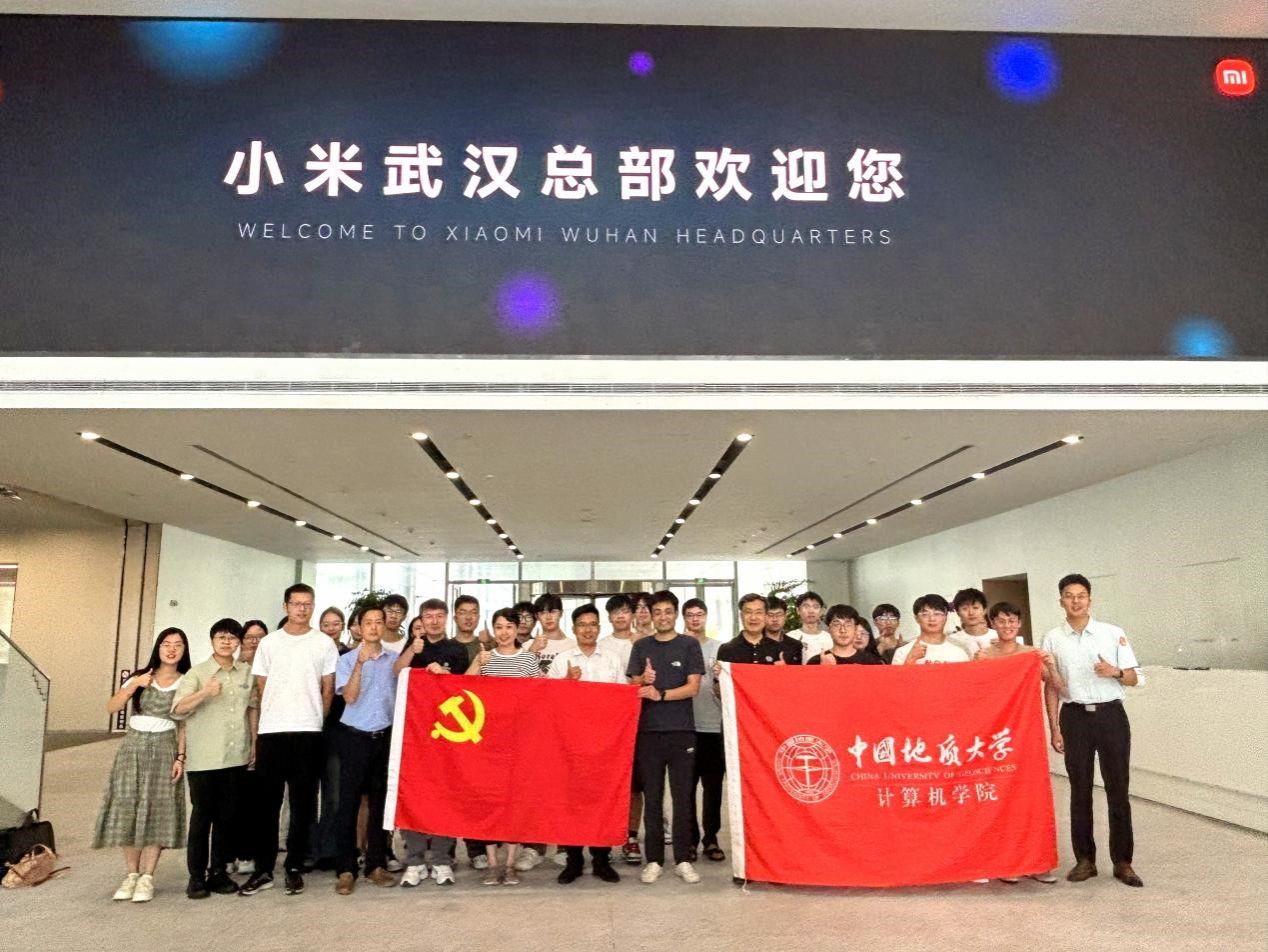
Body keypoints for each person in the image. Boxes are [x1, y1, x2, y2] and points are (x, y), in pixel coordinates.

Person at [1042, 574, 1144, 888]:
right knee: (1079, 790)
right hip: (1074, 718)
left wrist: (1115, 671)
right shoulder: (1052, 638)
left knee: (1118, 789)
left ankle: (1123, 862)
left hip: (1111, 715)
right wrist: (1054, 727)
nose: (1076, 601)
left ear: (1090, 599)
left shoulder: (1112, 633)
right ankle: (1085, 860)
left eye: (1081, 595)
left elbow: (1135, 678)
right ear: (1061, 601)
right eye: (1069, 595)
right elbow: (1051, 685)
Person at [241, 583, 340, 897]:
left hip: (308, 733)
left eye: (307, 603)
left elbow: (328, 688)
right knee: (267, 805)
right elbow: (261, 686)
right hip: (272, 732)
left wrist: (315, 719)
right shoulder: (269, 643)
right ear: (285, 606)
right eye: (296, 603)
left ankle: (294, 866)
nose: (302, 609)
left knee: (303, 805)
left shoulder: (324, 643)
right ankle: (263, 869)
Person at [93, 627, 191, 903]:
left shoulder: (186, 681)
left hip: (164, 748)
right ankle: (131, 874)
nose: (171, 649)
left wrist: (180, 757)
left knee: (157, 809)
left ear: (184, 651)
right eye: (166, 644)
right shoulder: (141, 676)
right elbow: (112, 706)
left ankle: (147, 876)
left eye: (178, 645)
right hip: (132, 748)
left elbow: (183, 725)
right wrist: (135, 684)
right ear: (158, 648)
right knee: (128, 807)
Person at [975, 601, 1063, 885]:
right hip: (995, 736)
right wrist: (977, 666)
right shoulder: (985, 655)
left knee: (1033, 799)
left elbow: (1058, 686)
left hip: (1027, 735)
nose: (1007, 626)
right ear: (993, 624)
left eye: (1012, 621)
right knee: (1001, 798)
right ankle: (1007, 861)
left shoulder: (1031, 655)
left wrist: (1050, 665)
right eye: (1001, 621)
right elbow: (973, 692)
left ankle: (1037, 862)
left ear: (1019, 624)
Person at [172, 618, 257, 899]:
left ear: (238, 643)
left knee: (227, 818)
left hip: (235, 756)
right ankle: (196, 877)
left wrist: (254, 742)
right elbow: (178, 709)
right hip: (204, 758)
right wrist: (205, 693)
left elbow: (252, 709)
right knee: (202, 818)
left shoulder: (247, 673)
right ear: (212, 641)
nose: (226, 642)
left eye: (232, 638)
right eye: (221, 637)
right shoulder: (197, 673)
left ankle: (218, 872)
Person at [626, 591, 705, 885]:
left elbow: (693, 687)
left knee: (683, 797)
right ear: (650, 615)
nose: (662, 617)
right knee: (653, 798)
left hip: (682, 731)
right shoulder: (641, 646)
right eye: (657, 612)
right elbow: (633, 685)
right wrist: (642, 680)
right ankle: (654, 860)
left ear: (675, 614)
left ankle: (683, 859)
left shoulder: (689, 645)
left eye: (668, 611)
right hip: (648, 733)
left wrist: (660, 694)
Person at [393, 597, 471, 887]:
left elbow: (466, 688)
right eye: (429, 616)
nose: (434, 621)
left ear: (446, 618)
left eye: (439, 616)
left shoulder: (457, 649)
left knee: (445, 795)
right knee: (412, 794)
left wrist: (445, 676)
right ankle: (414, 860)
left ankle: (441, 859)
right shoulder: (413, 646)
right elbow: (397, 673)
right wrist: (411, 652)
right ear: (421, 620)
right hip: (415, 734)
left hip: (447, 734)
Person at [548, 604, 626, 884]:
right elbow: (548, 698)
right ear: (574, 629)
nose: (588, 629)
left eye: (593, 624)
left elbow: (622, 698)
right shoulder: (562, 660)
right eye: (582, 624)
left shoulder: (612, 659)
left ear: (599, 628)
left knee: (602, 800)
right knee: (571, 801)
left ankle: (602, 859)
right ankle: (574, 860)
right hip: (571, 743)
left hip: (606, 743)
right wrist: (567, 682)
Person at [467, 607, 545, 885]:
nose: (504, 633)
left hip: (519, 741)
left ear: (517, 629)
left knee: (514, 802)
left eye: (509, 627)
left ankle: (510, 864)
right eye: (498, 627)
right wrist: (477, 663)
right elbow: (463, 689)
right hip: (487, 741)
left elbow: (544, 695)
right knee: (488, 801)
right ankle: (492, 864)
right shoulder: (485, 657)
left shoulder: (528, 660)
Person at [332, 603, 400, 894]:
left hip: (383, 738)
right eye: (368, 622)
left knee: (379, 804)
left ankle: (375, 865)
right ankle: (346, 868)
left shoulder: (394, 661)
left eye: (378, 621)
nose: (373, 627)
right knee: (348, 804)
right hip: (354, 738)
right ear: (359, 627)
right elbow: (349, 697)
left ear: (385, 626)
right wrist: (360, 663)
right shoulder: (347, 660)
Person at [602, 594, 644, 866]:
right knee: (606, 785)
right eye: (615, 612)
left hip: (639, 722)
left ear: (633, 615)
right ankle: (604, 837)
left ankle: (631, 837)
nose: (620, 616)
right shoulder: (601, 645)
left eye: (625, 611)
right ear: (609, 617)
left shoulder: (643, 642)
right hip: (607, 726)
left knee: (634, 785)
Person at [309, 607, 351, 872]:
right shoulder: (312, 652)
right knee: (306, 794)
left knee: (333, 794)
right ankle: (306, 849)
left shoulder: (349, 656)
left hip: (337, 731)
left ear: (343, 626)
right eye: (326, 624)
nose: (331, 628)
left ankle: (328, 849)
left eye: (336, 624)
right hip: (309, 728)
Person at [683, 598, 725, 863]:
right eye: (690, 615)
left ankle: (711, 838)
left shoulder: (720, 648)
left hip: (713, 727)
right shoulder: (678, 646)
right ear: (684, 619)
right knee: (685, 789)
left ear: (706, 617)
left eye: (699, 614)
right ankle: (689, 839)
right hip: (684, 727)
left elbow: (726, 688)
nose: (695, 619)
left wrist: (720, 678)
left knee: (713, 788)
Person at [229, 619, 268, 877]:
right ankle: (227, 852)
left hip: (263, 737)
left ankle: (248, 852)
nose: (254, 641)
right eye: (250, 637)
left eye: (260, 636)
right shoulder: (233, 668)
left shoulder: (271, 666)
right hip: (232, 739)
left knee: (255, 800)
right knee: (231, 799)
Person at [890, 595, 972, 665]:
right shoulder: (903, 652)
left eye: (937, 614)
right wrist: (910, 659)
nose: (932, 619)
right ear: (916, 618)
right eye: (925, 614)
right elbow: (895, 679)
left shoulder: (960, 651)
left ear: (946, 617)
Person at [717, 593, 788, 666]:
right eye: (748, 612)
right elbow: (723, 673)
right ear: (741, 616)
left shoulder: (777, 648)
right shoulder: (727, 649)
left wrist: (783, 670)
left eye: (758, 612)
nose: (753, 617)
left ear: (765, 616)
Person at [806, 605, 884, 666]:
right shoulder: (816, 662)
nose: (843, 630)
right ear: (829, 629)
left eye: (848, 624)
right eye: (837, 624)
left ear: (855, 628)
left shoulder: (872, 662)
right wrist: (822, 670)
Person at [948, 587, 996, 655]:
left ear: (984, 611)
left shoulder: (998, 636)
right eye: (965, 609)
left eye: (975, 608)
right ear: (958, 613)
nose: (971, 613)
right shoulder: (952, 640)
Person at [788, 591, 832, 659]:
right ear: (798, 610)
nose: (811, 611)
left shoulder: (830, 638)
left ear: (821, 611)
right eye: (806, 606)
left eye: (815, 607)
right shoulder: (790, 637)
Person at [764, 595, 803, 664]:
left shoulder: (795, 645)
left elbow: (799, 670)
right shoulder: (755, 643)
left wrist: (785, 669)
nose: (775, 619)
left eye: (779, 614)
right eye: (770, 615)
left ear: (785, 616)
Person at [452, 594, 485, 667]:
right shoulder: (445, 647)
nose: (468, 617)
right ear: (455, 618)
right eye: (463, 613)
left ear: (478, 618)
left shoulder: (486, 646)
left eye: (473, 612)